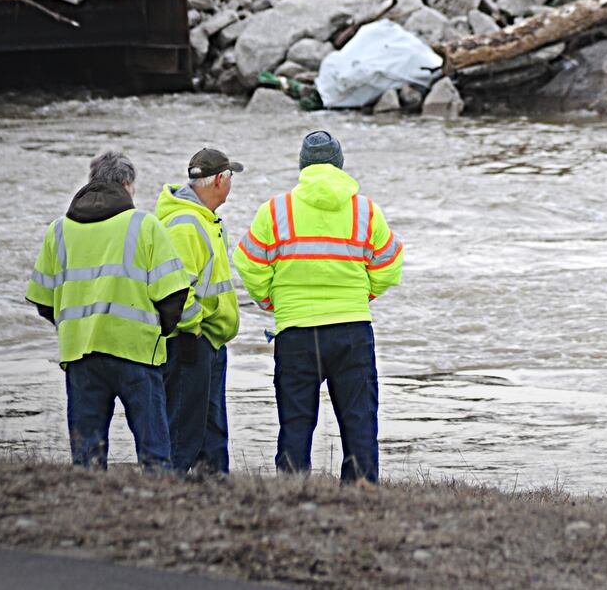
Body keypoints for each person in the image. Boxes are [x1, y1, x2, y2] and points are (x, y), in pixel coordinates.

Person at [233, 131, 403, 482]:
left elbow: (248, 261)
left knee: (295, 422)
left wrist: (272, 301)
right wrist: (361, 295)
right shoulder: (365, 210)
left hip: (295, 330)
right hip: (352, 329)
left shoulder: (275, 210)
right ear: (340, 164)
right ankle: (361, 495)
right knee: (358, 420)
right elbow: (389, 264)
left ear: (302, 166)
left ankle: (292, 492)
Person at [26, 151, 193, 470]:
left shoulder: (58, 230)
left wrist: (70, 326)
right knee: (154, 453)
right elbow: (174, 291)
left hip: (80, 353)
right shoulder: (145, 225)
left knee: (86, 456)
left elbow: (42, 300)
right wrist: (161, 329)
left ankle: (89, 510)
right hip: (137, 351)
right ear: (127, 184)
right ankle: (161, 509)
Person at [155, 147, 244, 474]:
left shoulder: (204, 219)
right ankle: (172, 481)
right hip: (191, 341)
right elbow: (179, 289)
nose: (231, 183)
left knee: (209, 422)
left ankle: (213, 480)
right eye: (230, 176)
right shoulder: (186, 224)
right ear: (220, 179)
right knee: (184, 422)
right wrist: (192, 330)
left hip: (210, 339)